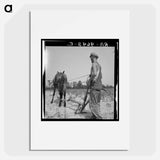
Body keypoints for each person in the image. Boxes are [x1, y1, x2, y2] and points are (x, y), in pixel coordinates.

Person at [88, 52, 103, 119]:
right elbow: (99, 76)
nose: (90, 59)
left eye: (90, 57)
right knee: (97, 103)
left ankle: (99, 118)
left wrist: (89, 80)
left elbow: (94, 73)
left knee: (92, 103)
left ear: (93, 57)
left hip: (94, 87)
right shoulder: (99, 66)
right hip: (99, 87)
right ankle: (94, 116)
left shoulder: (94, 64)